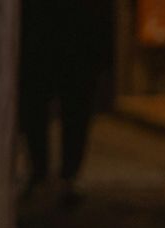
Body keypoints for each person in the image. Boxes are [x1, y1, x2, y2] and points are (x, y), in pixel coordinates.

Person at [19, 0, 113, 208]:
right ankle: (47, 174)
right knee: (47, 111)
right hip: (49, 46)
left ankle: (59, 176)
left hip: (67, 47)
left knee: (70, 113)